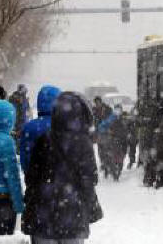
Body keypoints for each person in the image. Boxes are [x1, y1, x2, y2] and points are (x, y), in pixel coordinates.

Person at [22, 92, 103, 244]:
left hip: (43, 215)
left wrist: (32, 200)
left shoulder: (43, 140)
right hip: (73, 216)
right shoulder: (84, 143)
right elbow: (89, 180)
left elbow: (32, 177)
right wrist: (90, 206)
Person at [0, 100, 24, 236]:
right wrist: (18, 203)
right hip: (2, 200)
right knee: (4, 239)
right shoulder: (6, 141)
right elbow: (12, 175)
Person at [20, 85, 61, 176]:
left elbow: (24, 155)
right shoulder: (63, 126)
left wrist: (28, 172)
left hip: (34, 178)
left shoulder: (29, 127)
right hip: (59, 180)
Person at [98, 104, 131, 181]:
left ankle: (117, 169)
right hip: (113, 140)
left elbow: (131, 125)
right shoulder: (111, 118)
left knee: (122, 155)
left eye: (119, 110)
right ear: (114, 110)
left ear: (121, 110)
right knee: (111, 155)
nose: (118, 111)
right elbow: (101, 126)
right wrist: (107, 131)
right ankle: (111, 170)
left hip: (123, 140)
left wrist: (129, 133)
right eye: (116, 110)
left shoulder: (124, 117)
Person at [92, 96, 112, 173]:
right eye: (96, 102)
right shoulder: (93, 110)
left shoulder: (107, 109)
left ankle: (108, 163)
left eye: (98, 102)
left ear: (100, 101)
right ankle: (103, 163)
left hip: (106, 132)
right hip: (98, 133)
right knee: (100, 149)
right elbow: (92, 120)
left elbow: (111, 119)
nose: (97, 104)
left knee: (107, 148)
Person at [9, 84, 31, 149]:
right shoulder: (15, 98)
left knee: (19, 135)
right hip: (18, 121)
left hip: (21, 121)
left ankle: (18, 147)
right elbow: (14, 110)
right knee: (17, 135)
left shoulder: (24, 99)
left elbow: (27, 110)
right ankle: (17, 148)